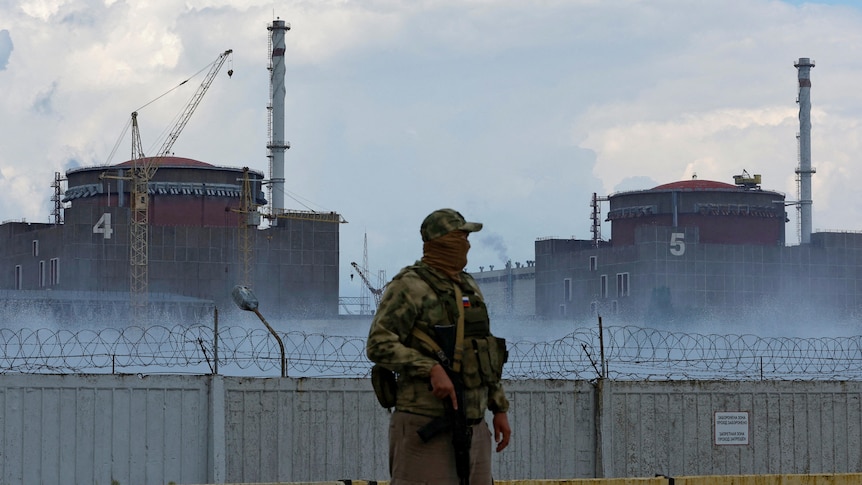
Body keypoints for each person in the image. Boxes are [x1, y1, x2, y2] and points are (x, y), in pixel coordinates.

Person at [366, 208, 511, 485]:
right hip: (425, 423)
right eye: (461, 236)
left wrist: (499, 408)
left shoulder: (468, 285)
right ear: (441, 241)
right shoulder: (409, 285)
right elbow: (378, 343)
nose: (467, 243)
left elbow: (484, 351)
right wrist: (429, 367)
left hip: (473, 425)